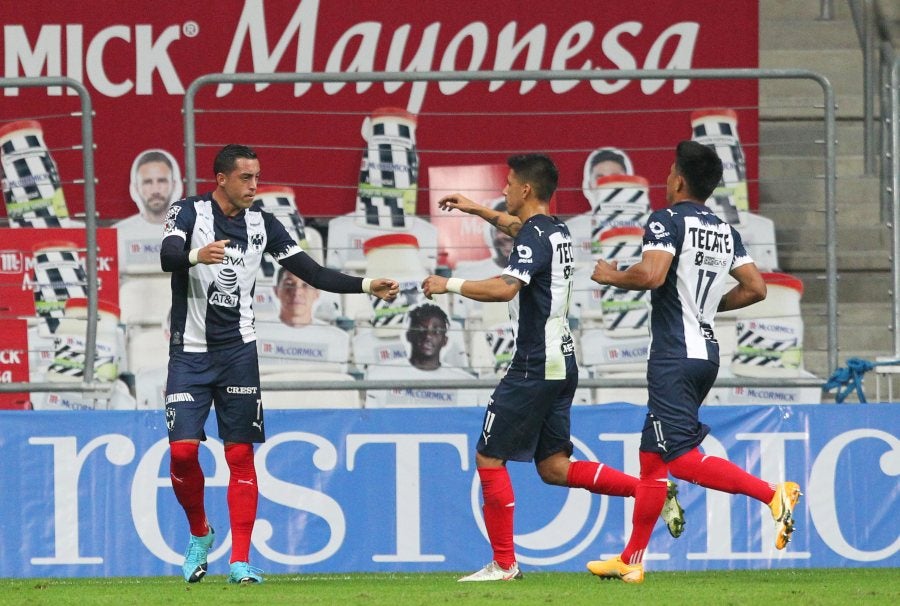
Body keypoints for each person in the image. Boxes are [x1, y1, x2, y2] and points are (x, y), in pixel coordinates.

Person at [422, 154, 685, 582]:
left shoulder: (535, 234)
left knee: (489, 457)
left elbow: (506, 288)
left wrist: (445, 283)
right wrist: (474, 209)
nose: (503, 191)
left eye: (508, 184)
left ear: (525, 190)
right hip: (562, 361)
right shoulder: (554, 229)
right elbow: (515, 228)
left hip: (534, 364)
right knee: (554, 468)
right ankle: (650, 489)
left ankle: (504, 565)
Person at [160, 144, 399, 585]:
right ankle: (200, 533)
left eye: (257, 177)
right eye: (246, 178)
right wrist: (197, 255)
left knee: (239, 456)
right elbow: (167, 257)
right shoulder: (188, 212)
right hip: (189, 352)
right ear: (221, 178)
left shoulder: (264, 223)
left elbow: (313, 273)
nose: (254, 186)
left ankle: (241, 562)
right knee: (182, 453)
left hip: (238, 354)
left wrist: (367, 284)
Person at [587, 140, 802, 584]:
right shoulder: (724, 229)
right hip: (705, 353)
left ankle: (772, 495)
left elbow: (652, 275)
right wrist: (703, 307)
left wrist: (612, 276)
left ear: (679, 180)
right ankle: (631, 559)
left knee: (681, 459)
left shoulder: (666, 219)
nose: (666, 178)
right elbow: (756, 288)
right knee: (651, 460)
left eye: (669, 172)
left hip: (673, 355)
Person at [364, 303, 479, 407]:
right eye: (421, 329)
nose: (428, 336)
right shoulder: (381, 376)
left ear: (445, 340)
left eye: (436, 332)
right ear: (408, 335)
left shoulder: (463, 382)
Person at [116, 149, 183, 274]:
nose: (155, 189)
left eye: (162, 181)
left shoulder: (195, 231)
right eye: (147, 182)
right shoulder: (118, 234)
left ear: (173, 185)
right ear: (136, 188)